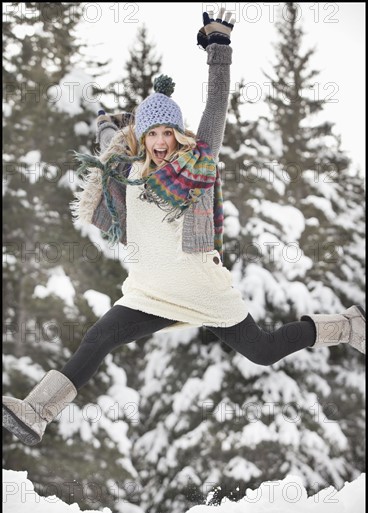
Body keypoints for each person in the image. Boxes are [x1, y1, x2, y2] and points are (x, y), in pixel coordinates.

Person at [3, 10, 365, 447]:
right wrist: (105, 125)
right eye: (152, 133)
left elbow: (217, 106)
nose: (160, 141)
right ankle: (37, 412)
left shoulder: (197, 165)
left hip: (200, 289)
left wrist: (219, 50)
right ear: (142, 135)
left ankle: (347, 326)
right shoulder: (129, 171)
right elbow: (109, 149)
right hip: (148, 294)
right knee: (96, 340)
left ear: (179, 134)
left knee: (264, 351)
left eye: (168, 132)